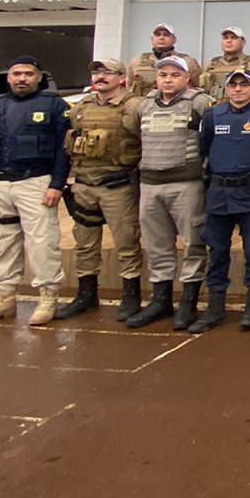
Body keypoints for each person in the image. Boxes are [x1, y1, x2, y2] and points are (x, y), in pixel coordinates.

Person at [0, 57, 71, 327]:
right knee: (3, 242)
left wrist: (57, 184)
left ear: (39, 78)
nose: (22, 78)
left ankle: (47, 297)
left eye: (29, 74)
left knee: (42, 242)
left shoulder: (54, 105)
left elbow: (63, 150)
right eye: (17, 74)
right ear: (8, 78)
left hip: (34, 182)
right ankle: (3, 297)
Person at [190, 70, 250, 333]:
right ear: (227, 89)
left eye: (245, 85)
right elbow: (203, 146)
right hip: (219, 192)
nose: (239, 89)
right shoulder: (212, 116)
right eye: (234, 85)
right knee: (217, 251)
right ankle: (215, 309)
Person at [57, 59, 146, 323]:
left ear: (122, 78)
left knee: (126, 242)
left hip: (117, 184)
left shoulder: (134, 107)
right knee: (85, 243)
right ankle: (86, 294)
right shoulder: (81, 108)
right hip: (84, 184)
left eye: (108, 72)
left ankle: (130, 296)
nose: (101, 77)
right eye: (96, 72)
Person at [129, 56, 211, 330]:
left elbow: (209, 138)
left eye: (174, 75)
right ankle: (160, 300)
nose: (167, 79)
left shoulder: (199, 102)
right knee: (157, 245)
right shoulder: (145, 105)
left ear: (186, 78)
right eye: (163, 74)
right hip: (150, 183)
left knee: (193, 242)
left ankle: (188, 303)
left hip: (186, 183)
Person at [199, 28, 250, 102]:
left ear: (243, 42)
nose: (229, 41)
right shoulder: (210, 65)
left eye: (233, 38)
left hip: (246, 111)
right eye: (225, 38)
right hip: (214, 111)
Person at [128, 23, 201, 97]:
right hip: (144, 105)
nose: (161, 38)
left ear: (174, 39)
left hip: (177, 105)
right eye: (158, 35)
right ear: (152, 39)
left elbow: (199, 87)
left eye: (166, 35)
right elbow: (129, 86)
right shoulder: (137, 61)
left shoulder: (187, 61)